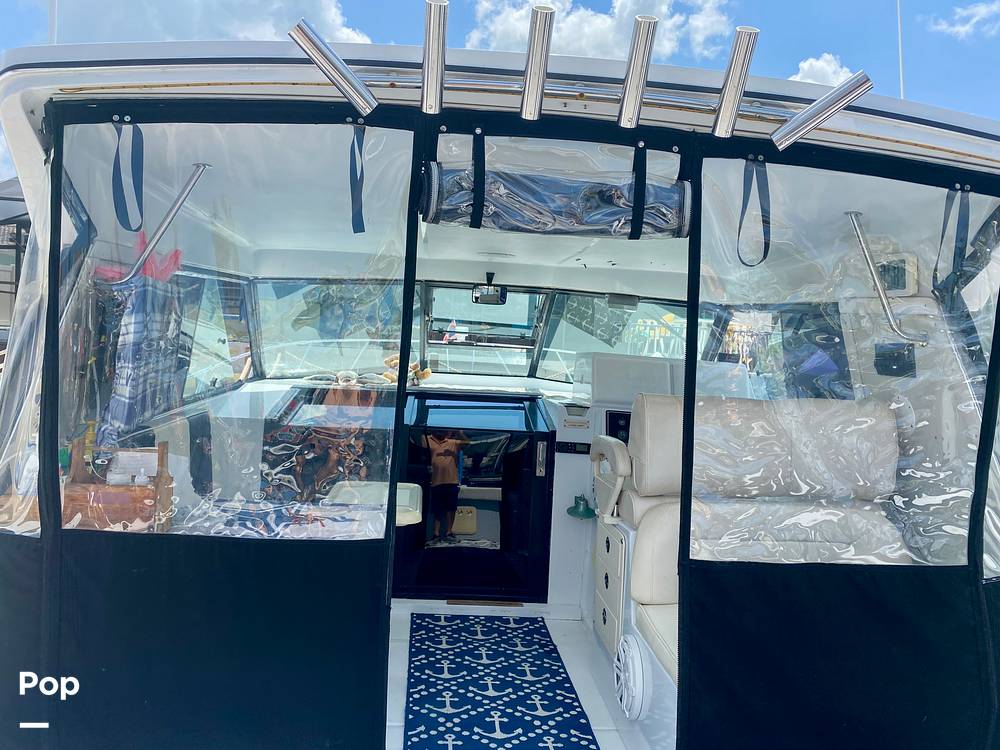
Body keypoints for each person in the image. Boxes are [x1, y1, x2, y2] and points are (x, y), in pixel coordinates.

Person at [423, 429, 468, 543]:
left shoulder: (453, 442)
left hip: (452, 481)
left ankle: (449, 532)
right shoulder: (426, 439)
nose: (441, 431)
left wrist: (459, 432)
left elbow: (467, 443)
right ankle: (436, 534)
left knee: (451, 508)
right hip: (436, 481)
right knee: (437, 509)